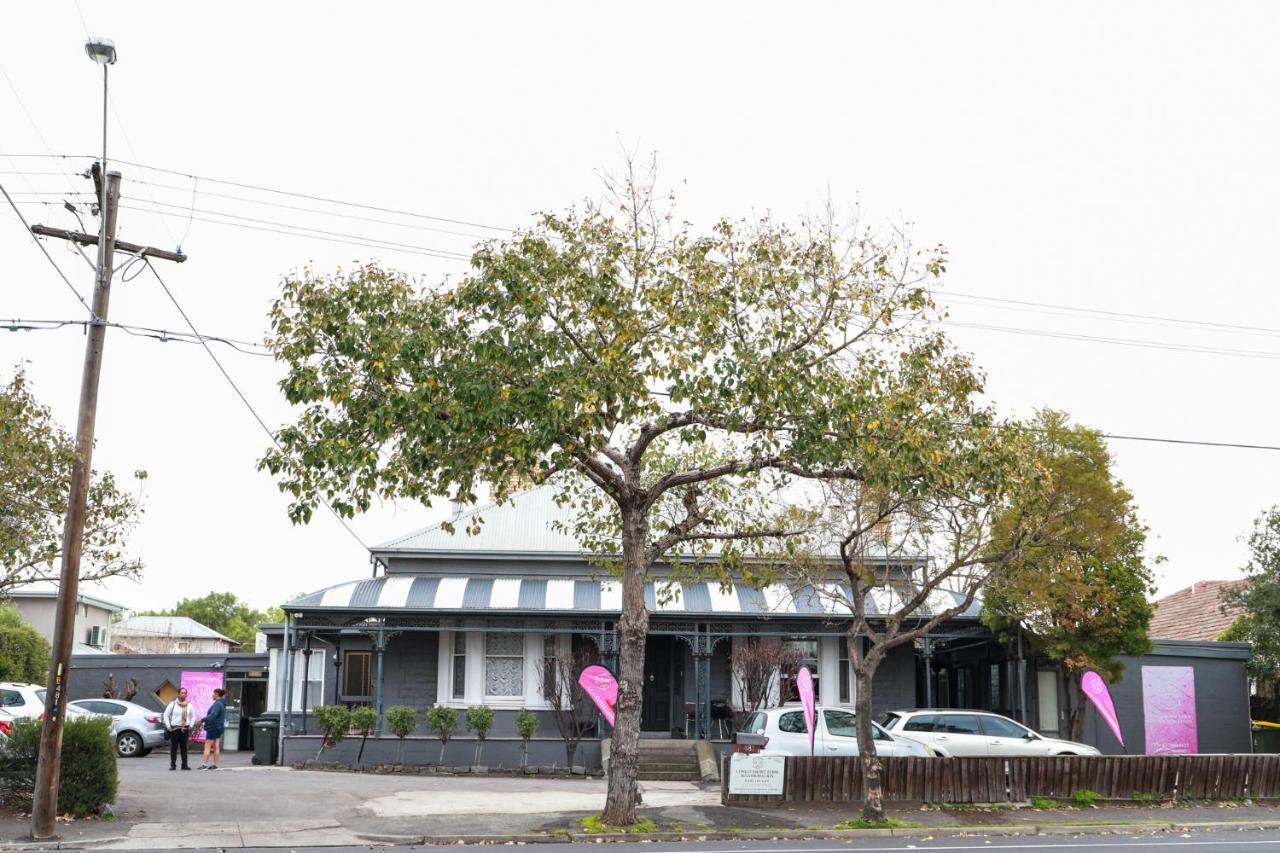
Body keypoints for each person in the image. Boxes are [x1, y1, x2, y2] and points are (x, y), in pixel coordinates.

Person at [162, 688, 196, 770]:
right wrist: (168, 726)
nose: (183, 694)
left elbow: (193, 716)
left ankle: (184, 765)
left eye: (185, 693)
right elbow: (166, 715)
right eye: (182, 693)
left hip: (185, 729)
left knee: (184, 748)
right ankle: (173, 765)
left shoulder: (189, 705)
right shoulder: (173, 704)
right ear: (178, 694)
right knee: (174, 747)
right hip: (175, 729)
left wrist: (191, 725)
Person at [199, 688, 227, 770]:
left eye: (213, 693)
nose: (212, 695)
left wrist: (202, 720)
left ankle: (204, 764)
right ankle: (215, 765)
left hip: (213, 727)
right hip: (219, 727)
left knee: (207, 746)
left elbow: (213, 715)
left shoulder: (217, 704)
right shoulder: (222, 704)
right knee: (216, 746)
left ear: (217, 694)